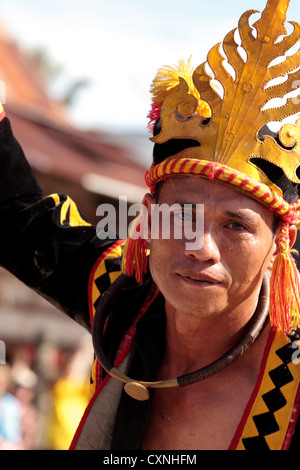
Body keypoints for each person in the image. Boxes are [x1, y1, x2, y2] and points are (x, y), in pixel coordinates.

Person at [0, 0, 300, 450]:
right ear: (148, 217)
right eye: (180, 216)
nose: (200, 246)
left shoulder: (292, 379)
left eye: (235, 226)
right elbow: (16, 218)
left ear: (280, 241)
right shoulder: (123, 295)